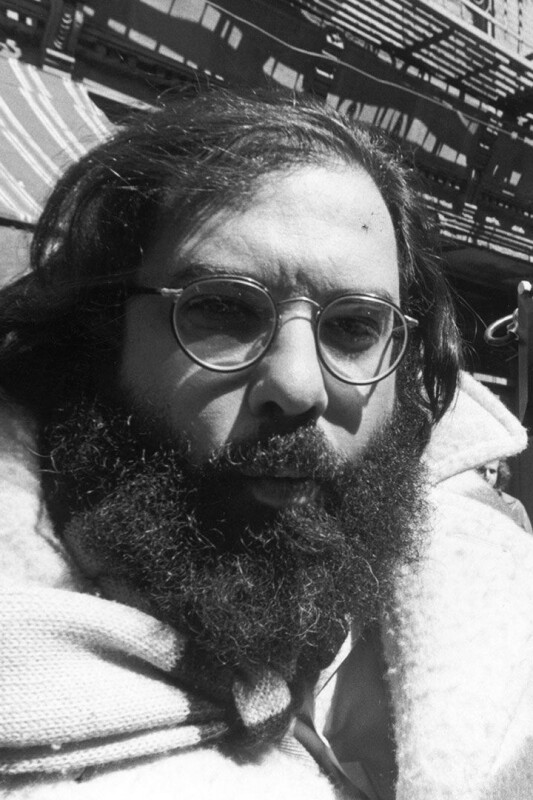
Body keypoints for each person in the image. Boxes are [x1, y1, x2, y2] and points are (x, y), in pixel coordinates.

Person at [1, 90, 532, 800]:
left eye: (353, 327)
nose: (299, 385)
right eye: (223, 308)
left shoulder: (494, 590)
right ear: (99, 339)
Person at [478, 458, 533, 533]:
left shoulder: (514, 506)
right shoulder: (464, 501)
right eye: (481, 470)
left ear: (499, 474)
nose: (487, 476)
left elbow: (528, 539)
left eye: (492, 471)